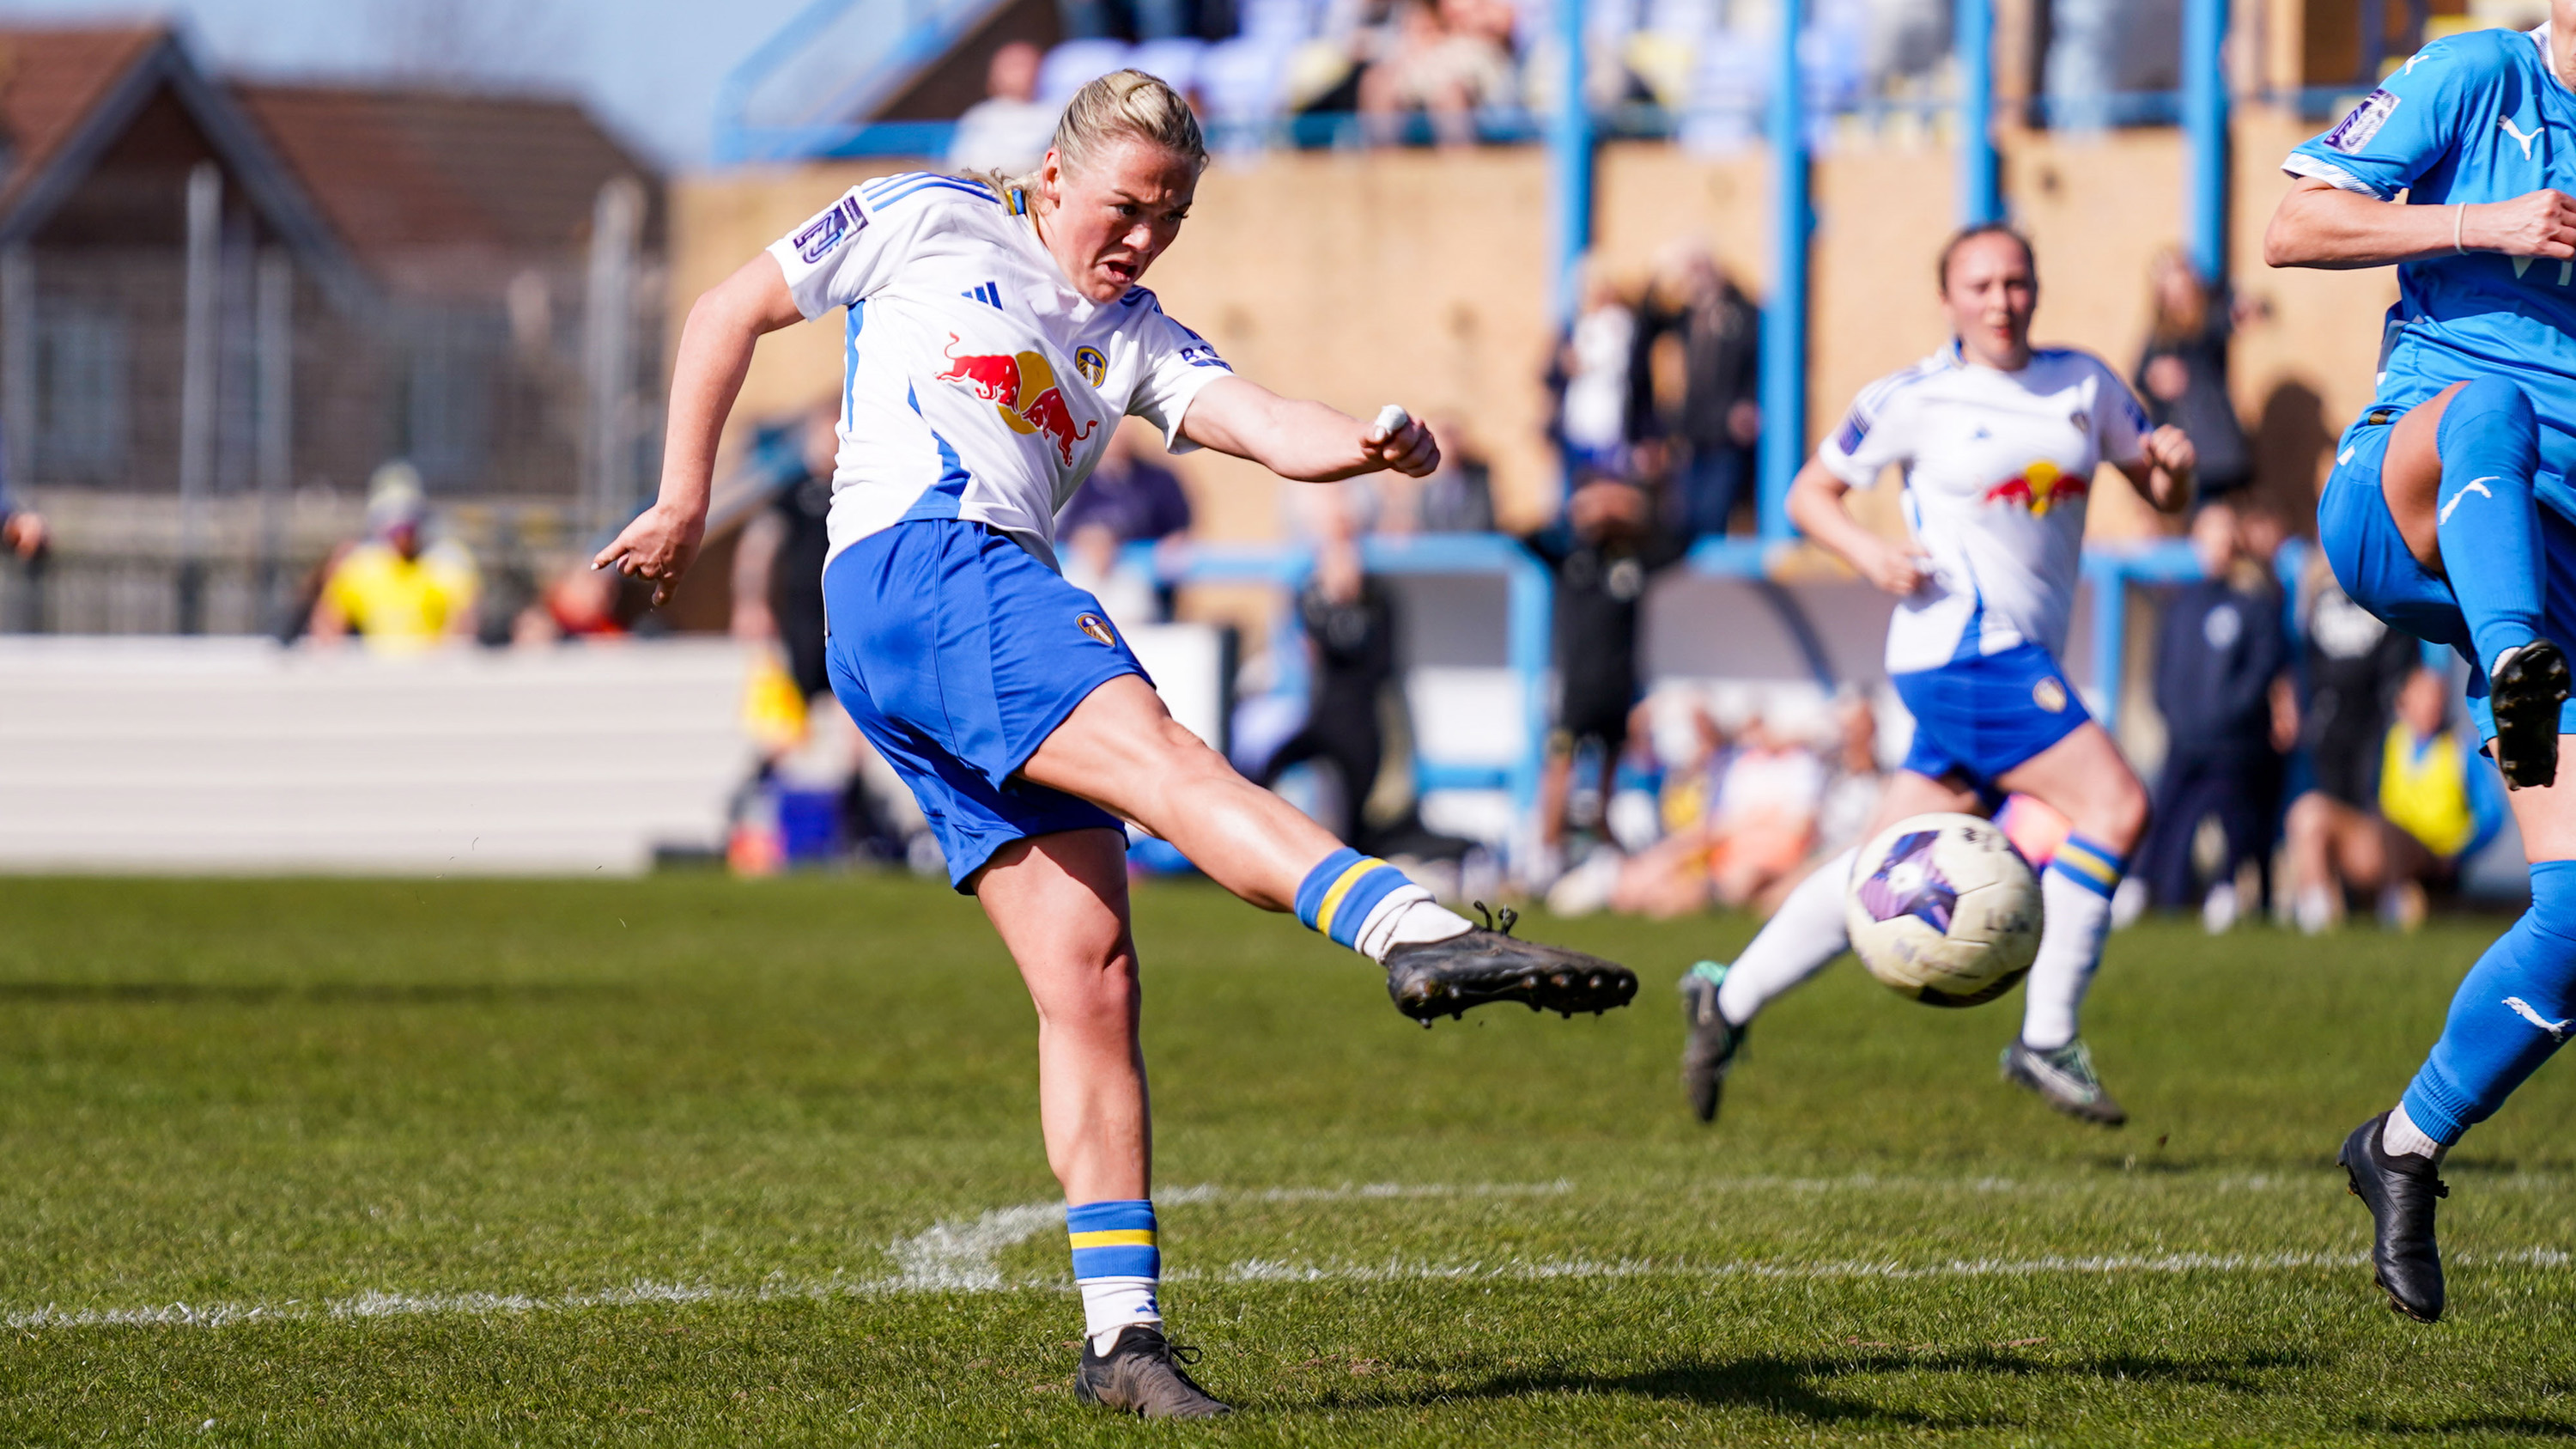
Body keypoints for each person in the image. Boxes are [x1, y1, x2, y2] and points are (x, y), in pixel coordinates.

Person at [592, 71, 1635, 1419]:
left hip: (919, 628)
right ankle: (1412, 929)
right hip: (933, 566)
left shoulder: (1132, 334)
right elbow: (726, 306)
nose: (1143, 237)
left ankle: (1121, 1339)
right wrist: (684, 497)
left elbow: (1259, 421)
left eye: (1174, 215)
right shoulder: (927, 213)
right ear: (1053, 174)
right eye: (1128, 206)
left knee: (1090, 973)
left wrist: (1372, 445)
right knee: (1169, 763)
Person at [1675, 222, 2196, 1130]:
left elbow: (2160, 492)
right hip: (1964, 649)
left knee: (1877, 866)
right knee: (2116, 805)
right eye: (1982, 285)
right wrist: (1868, 555)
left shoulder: (2086, 384)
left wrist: (2175, 474)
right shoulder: (1916, 397)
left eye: (2017, 282)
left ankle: (1726, 997)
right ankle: (2046, 1036)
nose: (2003, 300)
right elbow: (1808, 494)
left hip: (2001, 656)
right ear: (1949, 298)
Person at [2265, 8, 2576, 1324]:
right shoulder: (2480, 71)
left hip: (2547, 552)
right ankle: (2518, 675)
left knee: (2572, 923)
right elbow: (2294, 222)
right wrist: (2486, 226)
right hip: (2410, 479)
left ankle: (2400, 1143)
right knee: (2495, 411)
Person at [1521, 472, 1688, 886]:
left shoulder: (1634, 558)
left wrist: (1637, 510)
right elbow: (1526, 537)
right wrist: (1576, 511)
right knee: (1562, 768)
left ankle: (1607, 850)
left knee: (1608, 781)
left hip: (1619, 686)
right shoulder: (1570, 555)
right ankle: (1546, 857)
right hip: (1576, 687)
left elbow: (1683, 541)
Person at [2136, 501, 2294, 930]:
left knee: (2233, 819)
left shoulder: (2255, 603)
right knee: (2168, 816)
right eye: (2212, 533)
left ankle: (2226, 890)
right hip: (2184, 739)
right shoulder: (2181, 606)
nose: (2220, 544)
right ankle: (2148, 892)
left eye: (2227, 534)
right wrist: (2177, 715)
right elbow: (2164, 673)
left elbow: (2262, 670)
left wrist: (2229, 716)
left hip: (2233, 743)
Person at [2287, 665, 2506, 933]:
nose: (2431, 705)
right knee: (2309, 811)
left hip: (2432, 853)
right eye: (2423, 696)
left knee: (2388, 829)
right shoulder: (2388, 742)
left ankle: (2392, 907)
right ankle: (2317, 913)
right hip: (2383, 846)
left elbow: (2491, 815)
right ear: (2404, 701)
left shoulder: (2460, 748)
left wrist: (2458, 855)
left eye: (2436, 697)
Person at [1256, 502, 1398, 847]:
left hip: (1362, 723)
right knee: (1268, 769)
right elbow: (1315, 641)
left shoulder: (1379, 600)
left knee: (1357, 818)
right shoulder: (1314, 597)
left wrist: (1346, 606)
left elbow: (1372, 657)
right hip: (1323, 717)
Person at [1643, 247, 1762, 540]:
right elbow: (1647, 325)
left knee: (1714, 513)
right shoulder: (1686, 317)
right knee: (1685, 517)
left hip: (1726, 433)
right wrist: (1662, 278)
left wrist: (1749, 403)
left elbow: (1758, 360)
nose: (1698, 278)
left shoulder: (1741, 314)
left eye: (1702, 269)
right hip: (1691, 433)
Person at [307, 463, 479, 654]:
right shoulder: (362, 567)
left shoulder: (445, 566)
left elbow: (463, 630)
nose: (402, 536)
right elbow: (327, 628)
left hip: (430, 672)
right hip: (376, 674)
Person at [2135, 247, 2254, 502]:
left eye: (2182, 282)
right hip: (2187, 459)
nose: (2179, 296)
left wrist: (2246, 311)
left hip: (2224, 455)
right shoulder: (2159, 341)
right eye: (2170, 287)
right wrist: (2152, 377)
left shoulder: (2210, 322)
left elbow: (2240, 315)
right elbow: (2139, 375)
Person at [951, 43, 1061, 178]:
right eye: (1014, 67)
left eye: (1027, 65)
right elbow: (962, 165)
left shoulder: (1055, 113)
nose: (1023, 73)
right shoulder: (980, 116)